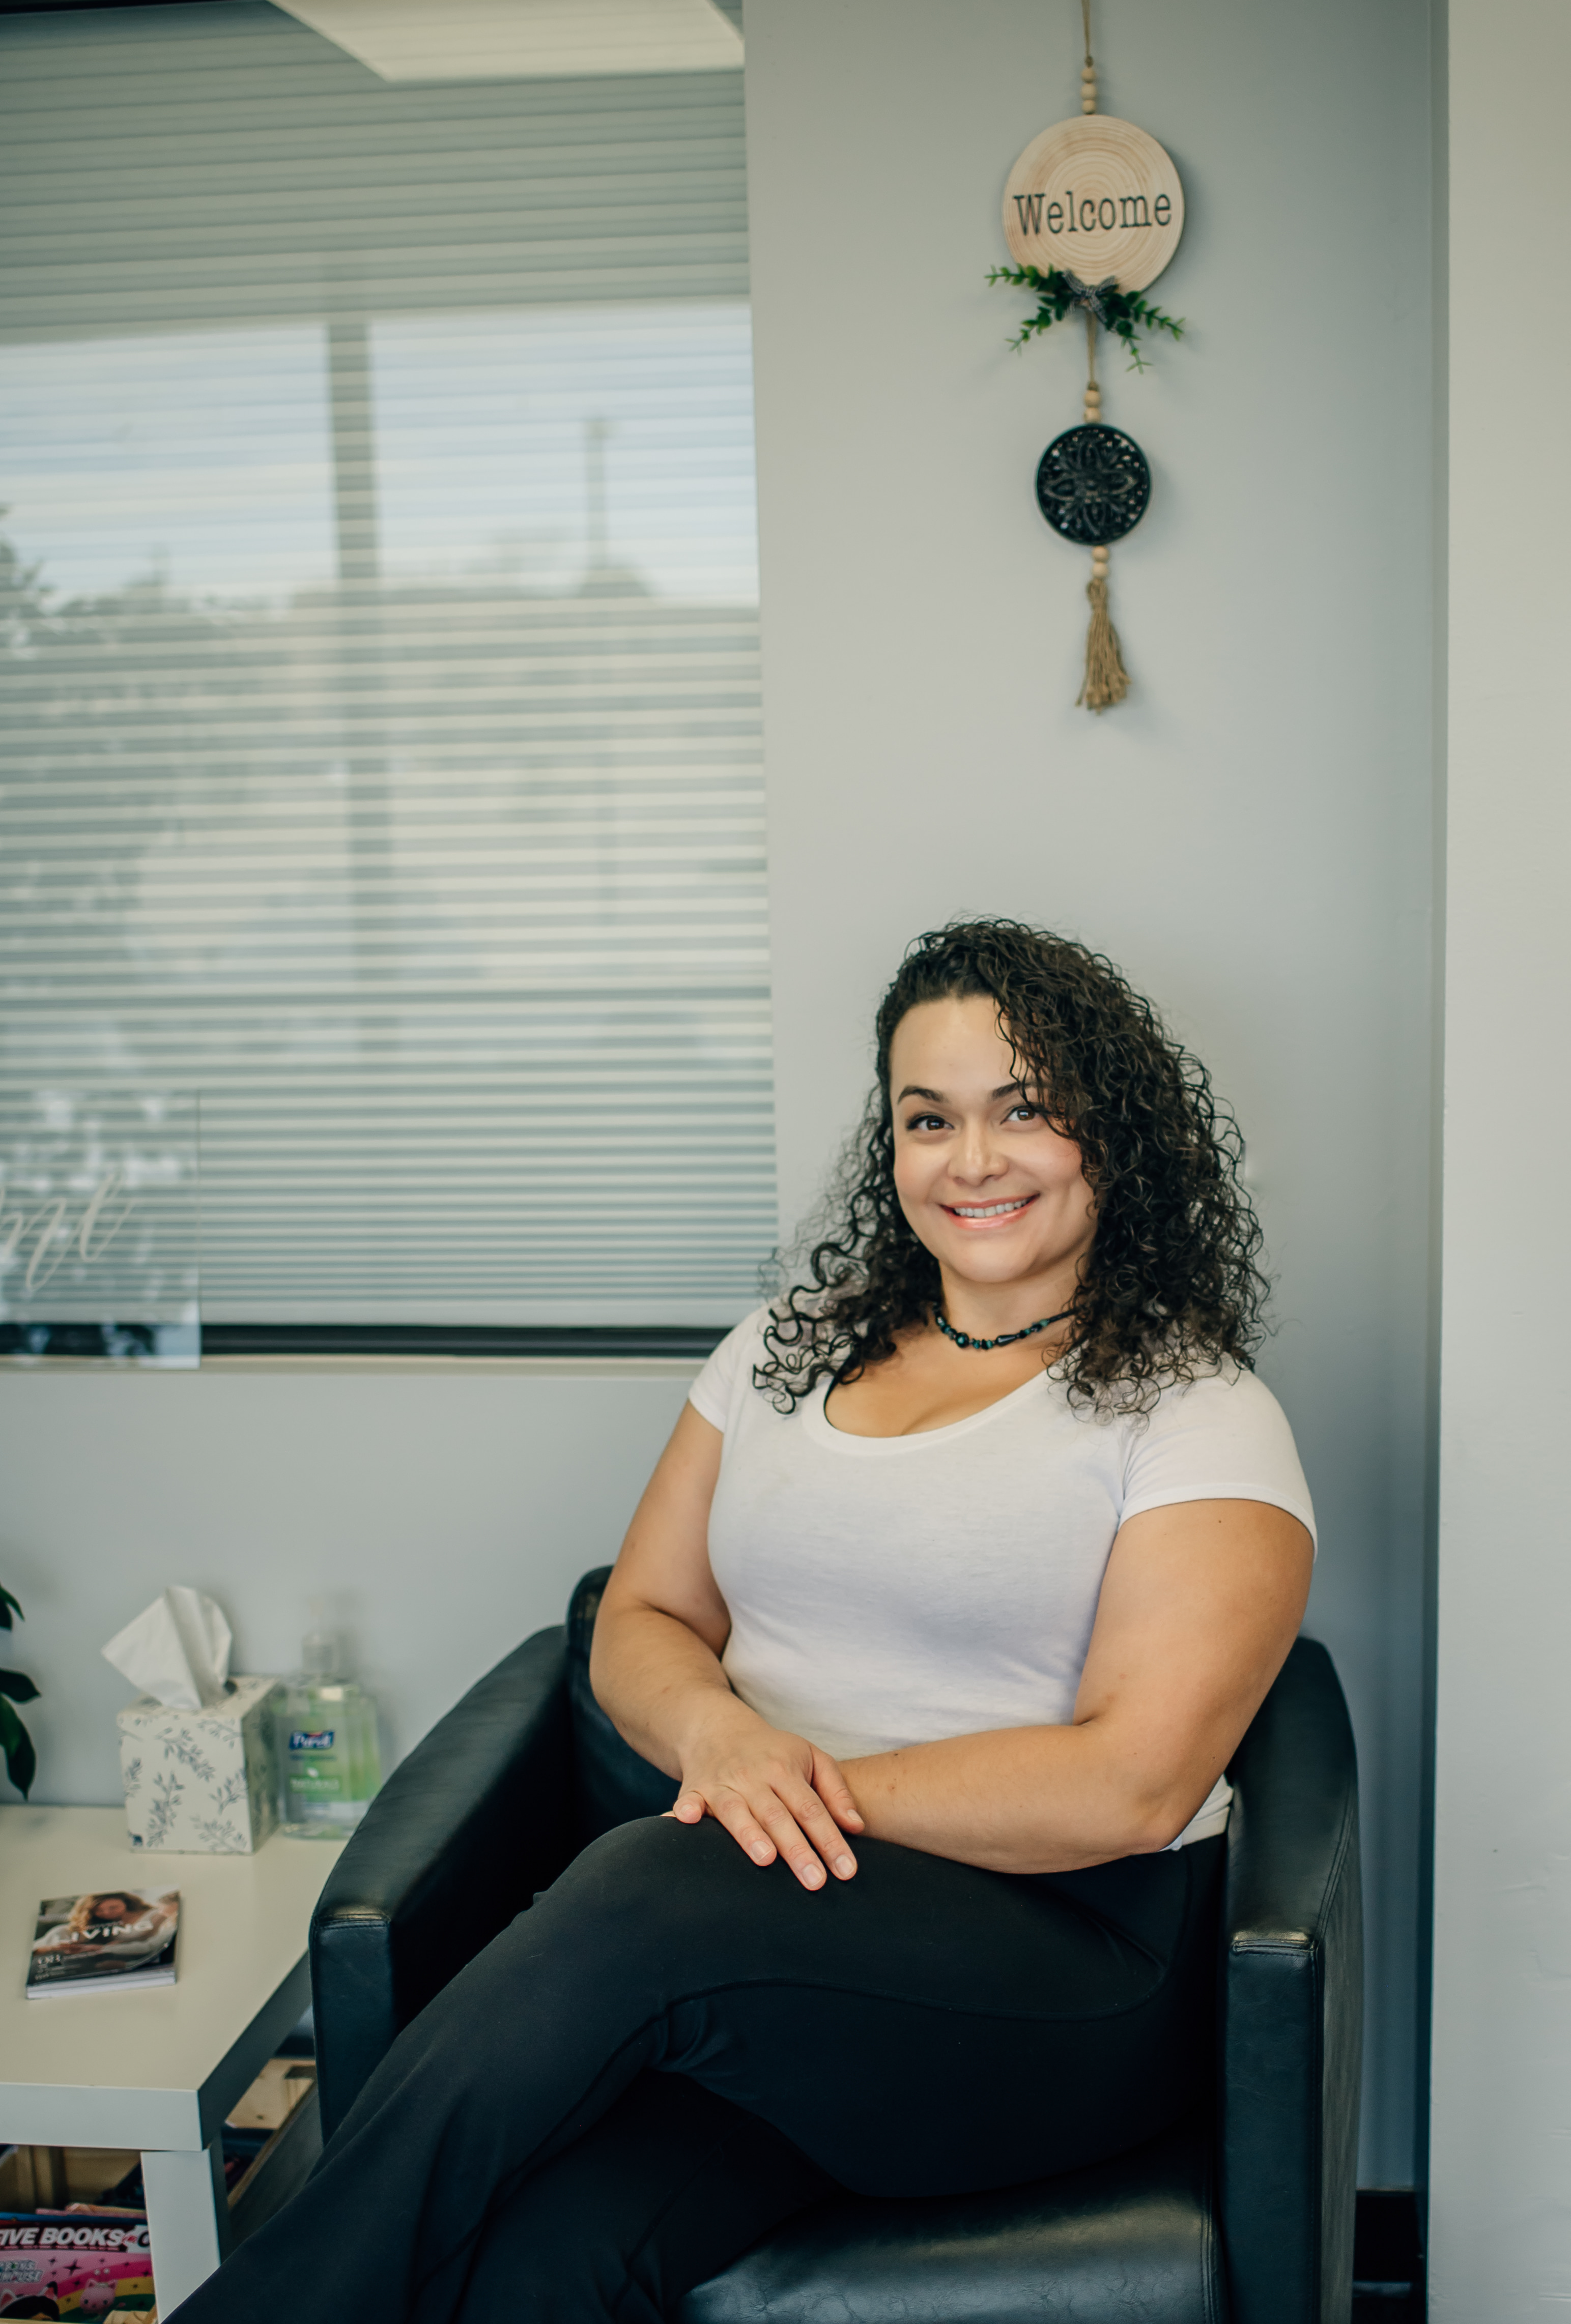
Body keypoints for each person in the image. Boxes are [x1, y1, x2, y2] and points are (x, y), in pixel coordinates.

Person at [171, 919, 1315, 2324]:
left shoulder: (1199, 1414)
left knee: (654, 1884)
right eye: (928, 1118)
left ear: (1110, 1131)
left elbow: (1137, 1783)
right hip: (779, 1965)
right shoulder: (785, 1348)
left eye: (1025, 1110)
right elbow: (643, 1614)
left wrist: (779, 1798)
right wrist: (719, 1736)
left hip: (1065, 1977)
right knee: (540, 2265)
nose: (973, 1160)